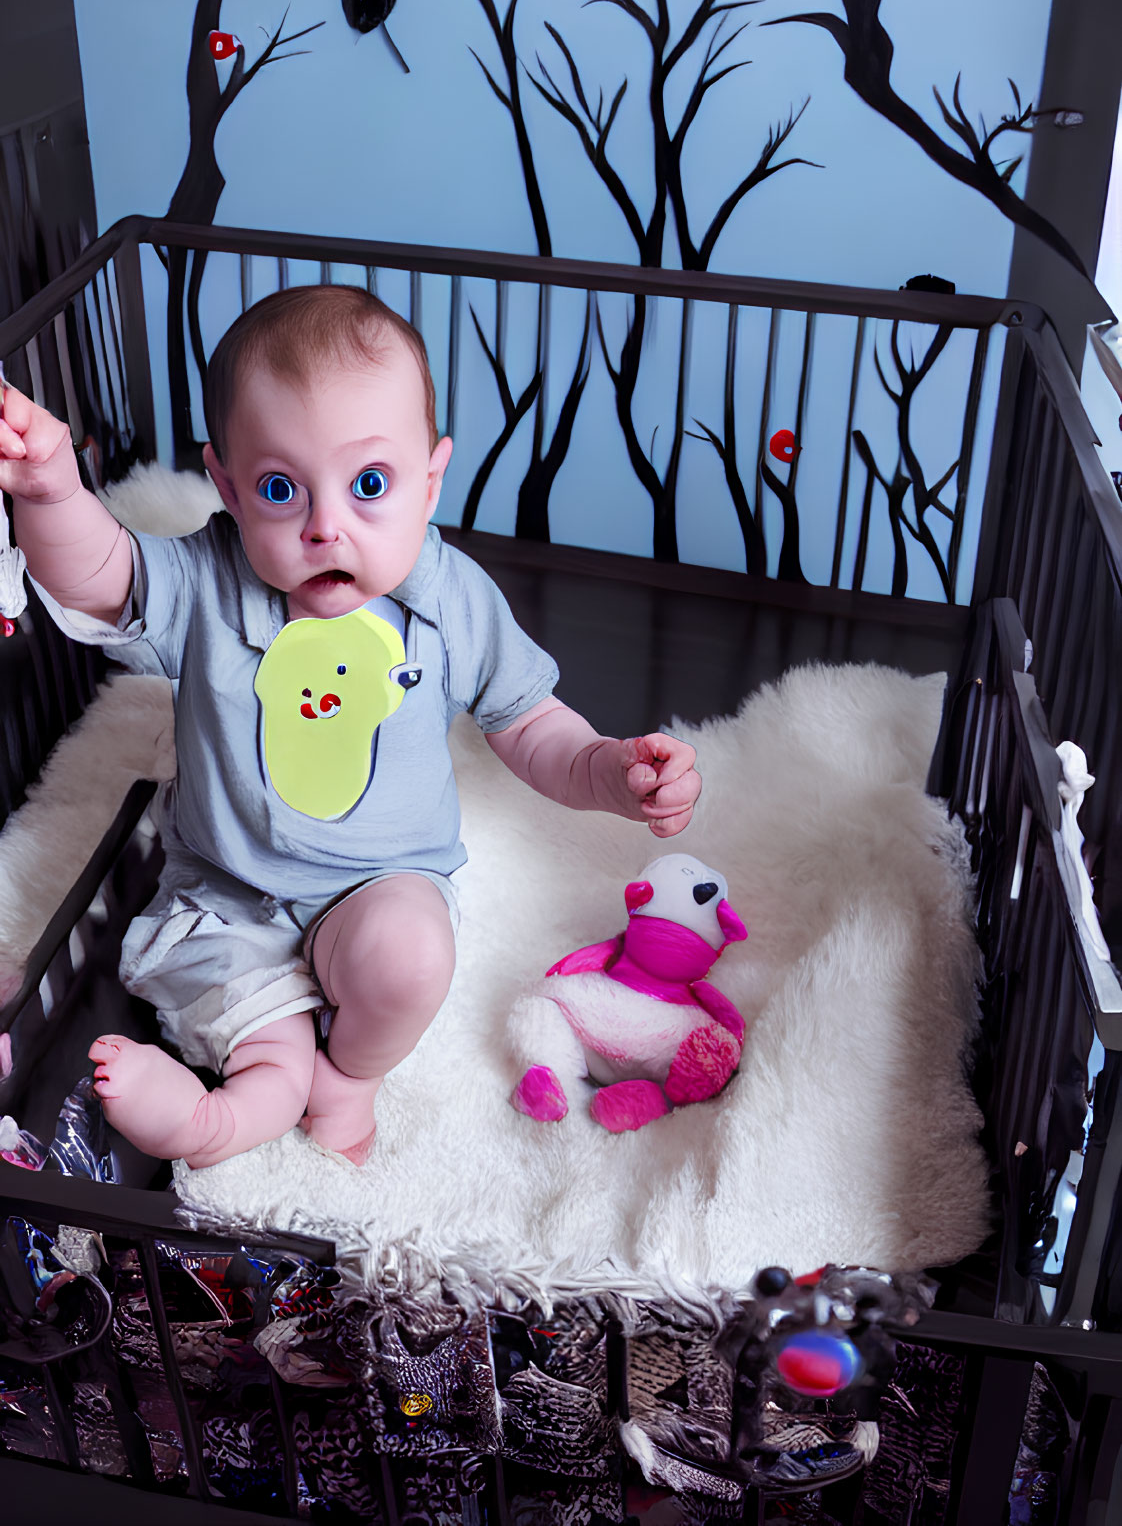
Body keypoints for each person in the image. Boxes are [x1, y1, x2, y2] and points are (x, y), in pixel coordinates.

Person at [0, 286, 700, 1168]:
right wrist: (54, 490)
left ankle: (353, 1075)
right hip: (226, 892)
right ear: (225, 486)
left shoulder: (451, 602)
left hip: (381, 884)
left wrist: (611, 771)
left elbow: (531, 726)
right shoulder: (210, 582)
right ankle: (221, 1120)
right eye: (280, 488)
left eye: (370, 485)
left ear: (431, 479)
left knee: (409, 958)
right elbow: (99, 573)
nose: (327, 525)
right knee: (273, 1059)